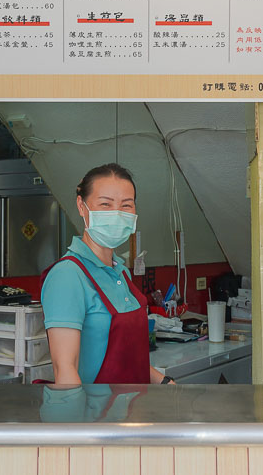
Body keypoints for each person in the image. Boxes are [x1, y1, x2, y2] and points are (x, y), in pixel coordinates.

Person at [41, 163, 173, 385]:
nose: (117, 214)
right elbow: (65, 371)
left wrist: (165, 382)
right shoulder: (68, 276)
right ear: (82, 207)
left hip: (132, 413)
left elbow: (130, 359)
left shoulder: (121, 272)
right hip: (94, 414)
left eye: (126, 205)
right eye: (105, 204)